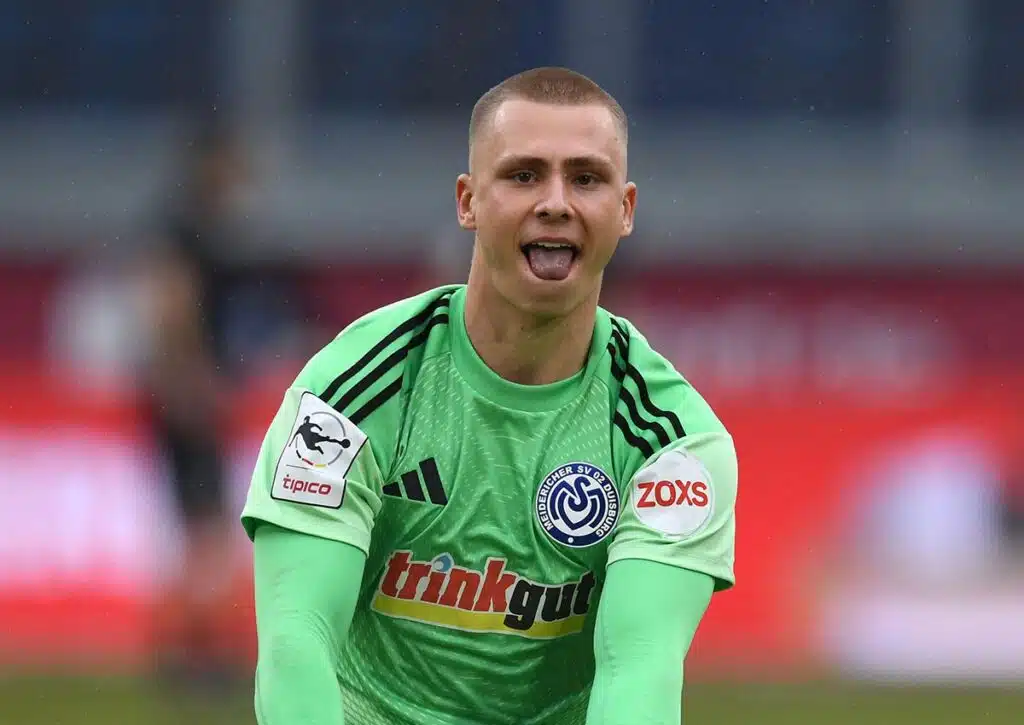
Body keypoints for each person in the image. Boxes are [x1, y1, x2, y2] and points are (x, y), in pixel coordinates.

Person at [242, 67, 738, 725]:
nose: (555, 202)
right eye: (524, 175)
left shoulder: (673, 443)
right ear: (468, 200)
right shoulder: (350, 392)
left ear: (625, 211)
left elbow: (639, 672)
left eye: (586, 178)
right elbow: (295, 645)